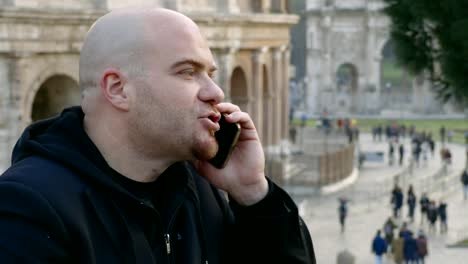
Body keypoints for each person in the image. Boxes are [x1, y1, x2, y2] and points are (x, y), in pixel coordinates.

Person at [0, 8, 316, 264]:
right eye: (188, 72)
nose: (215, 92)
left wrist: (254, 194)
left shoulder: (200, 188)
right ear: (118, 89)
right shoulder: (28, 210)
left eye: (210, 74)